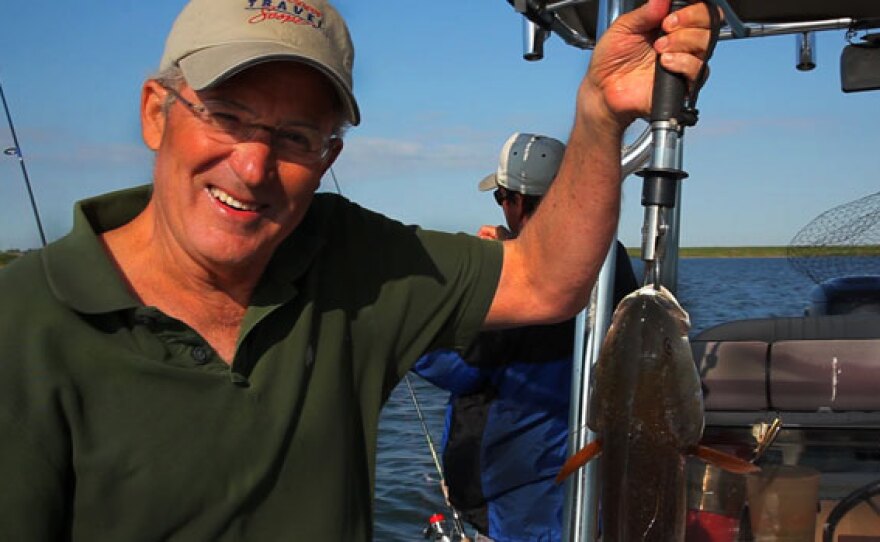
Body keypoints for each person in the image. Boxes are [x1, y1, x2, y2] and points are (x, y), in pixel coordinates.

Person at [0, 0, 713, 539]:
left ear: (329, 159)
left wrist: (598, 113)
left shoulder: (351, 256)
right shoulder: (20, 321)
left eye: (296, 137)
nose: (252, 167)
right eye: (225, 115)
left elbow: (543, 280)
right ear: (157, 113)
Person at [413, 132, 638, 542]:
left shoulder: (519, 276)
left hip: (522, 496)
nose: (501, 206)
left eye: (501, 196)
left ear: (516, 202)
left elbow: (453, 367)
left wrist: (481, 275)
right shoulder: (610, 258)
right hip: (591, 479)